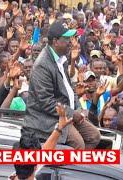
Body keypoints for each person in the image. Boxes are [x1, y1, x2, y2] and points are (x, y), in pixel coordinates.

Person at [22, 20, 101, 149]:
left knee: (94, 136)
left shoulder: (62, 58)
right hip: (48, 118)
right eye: (66, 39)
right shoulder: (42, 65)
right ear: (55, 42)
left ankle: (80, 165)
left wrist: (78, 109)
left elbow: (70, 90)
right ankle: (69, 168)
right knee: (78, 144)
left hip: (66, 112)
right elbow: (46, 102)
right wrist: (72, 114)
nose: (70, 42)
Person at [9, 103, 73, 180]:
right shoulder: (31, 166)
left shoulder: (18, 173)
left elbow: (46, 149)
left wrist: (59, 128)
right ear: (36, 167)